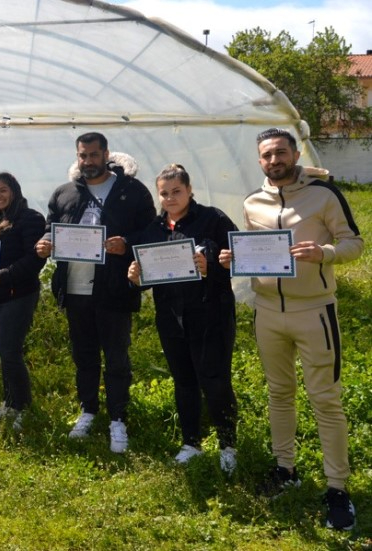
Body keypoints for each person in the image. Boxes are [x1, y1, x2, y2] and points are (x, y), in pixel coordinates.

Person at [220, 128, 363, 531]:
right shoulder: (253, 201)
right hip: (268, 312)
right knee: (279, 393)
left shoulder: (324, 196)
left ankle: (338, 487)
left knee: (326, 400)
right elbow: (254, 249)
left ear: (295, 153)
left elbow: (354, 242)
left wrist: (325, 253)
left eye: (280, 152)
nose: (274, 160)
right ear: (259, 159)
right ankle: (286, 469)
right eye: (266, 155)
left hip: (314, 311)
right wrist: (236, 258)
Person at [35, 132, 155, 453]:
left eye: (93, 155)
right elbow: (51, 225)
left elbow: (152, 230)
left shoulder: (132, 191)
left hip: (114, 288)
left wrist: (126, 244)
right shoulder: (64, 193)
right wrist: (46, 242)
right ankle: (88, 410)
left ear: (106, 155)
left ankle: (118, 418)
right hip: (74, 289)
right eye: (82, 156)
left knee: (116, 357)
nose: (88, 161)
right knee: (84, 356)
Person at [121, 164, 238, 472]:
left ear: (189, 190)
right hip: (171, 316)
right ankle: (191, 442)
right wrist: (135, 276)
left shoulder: (213, 220)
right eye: (164, 193)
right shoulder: (154, 230)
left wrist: (211, 264)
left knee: (214, 380)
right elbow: (147, 271)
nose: (170, 198)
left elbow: (238, 257)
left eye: (176, 191)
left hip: (211, 312)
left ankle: (228, 445)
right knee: (183, 380)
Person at [0, 173, 46, 430]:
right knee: (3, 351)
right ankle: (9, 402)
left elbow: (34, 260)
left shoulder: (30, 219)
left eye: (3, 190)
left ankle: (22, 406)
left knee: (11, 351)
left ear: (15, 191)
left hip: (18, 295)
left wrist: (4, 276)